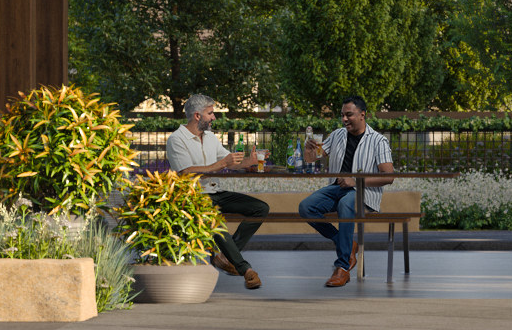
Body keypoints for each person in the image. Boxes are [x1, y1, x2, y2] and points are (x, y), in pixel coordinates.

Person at [163, 93, 275, 288]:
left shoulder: (210, 138)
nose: (214, 117)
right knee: (215, 221)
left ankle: (225, 257)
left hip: (216, 192)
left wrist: (250, 161)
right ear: (197, 116)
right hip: (193, 196)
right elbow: (185, 172)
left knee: (260, 208)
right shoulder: (177, 139)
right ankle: (245, 269)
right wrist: (222, 163)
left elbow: (230, 162)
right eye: (210, 113)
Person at [301, 97, 395, 288]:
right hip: (336, 188)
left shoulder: (378, 141)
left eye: (349, 115)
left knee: (346, 204)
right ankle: (346, 244)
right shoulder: (337, 135)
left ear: (362, 115)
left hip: (362, 192)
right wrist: (308, 149)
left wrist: (355, 180)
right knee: (306, 207)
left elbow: (388, 176)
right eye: (342, 115)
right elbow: (312, 159)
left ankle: (342, 267)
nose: (344, 119)